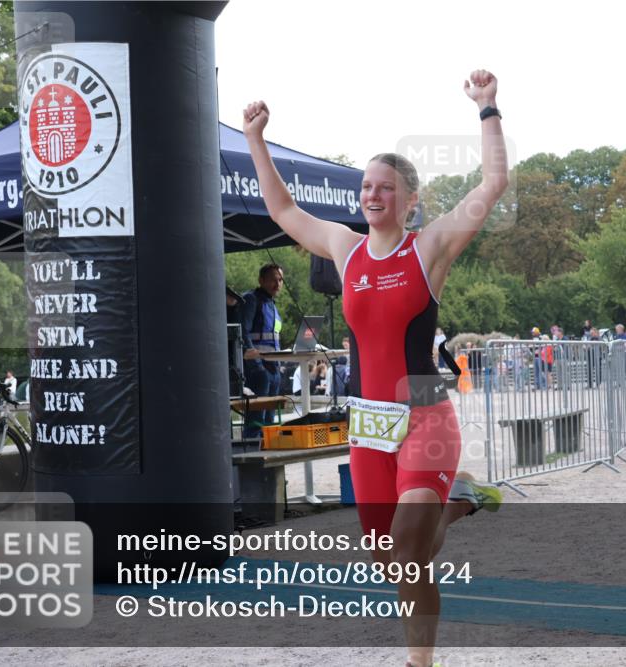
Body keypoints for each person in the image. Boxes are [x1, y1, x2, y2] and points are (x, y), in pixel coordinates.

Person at [244, 69, 508, 667]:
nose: (372, 194)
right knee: (388, 557)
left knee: (411, 552)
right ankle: (458, 501)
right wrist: (256, 139)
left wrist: (487, 109)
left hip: (424, 415)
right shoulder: (345, 248)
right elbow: (283, 209)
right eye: (366, 186)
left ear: (410, 201)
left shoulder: (430, 247)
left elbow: (494, 183)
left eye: (385, 187)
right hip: (369, 423)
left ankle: (420, 663)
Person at [240, 264, 285, 436]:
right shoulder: (252, 299)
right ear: (261, 280)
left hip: (273, 369)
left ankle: (268, 455)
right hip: (258, 370)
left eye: (280, 280)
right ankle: (253, 454)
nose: (278, 283)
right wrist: (256, 366)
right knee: (256, 420)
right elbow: (243, 331)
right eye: (273, 279)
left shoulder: (272, 305)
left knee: (269, 422)